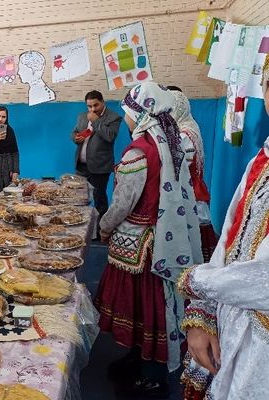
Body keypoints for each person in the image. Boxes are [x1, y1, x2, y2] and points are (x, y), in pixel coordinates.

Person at [95, 82, 202, 398]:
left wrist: (103, 226)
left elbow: (122, 203)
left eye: (128, 112)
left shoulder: (137, 153)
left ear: (140, 114)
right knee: (155, 308)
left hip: (138, 247)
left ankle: (150, 372)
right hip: (166, 242)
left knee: (141, 308)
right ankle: (140, 359)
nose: (126, 118)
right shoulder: (172, 144)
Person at [177, 75, 269, 400]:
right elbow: (229, 242)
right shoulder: (263, 160)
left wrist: (195, 282)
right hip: (232, 324)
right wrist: (204, 312)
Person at [169, 88, 218, 262]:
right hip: (191, 189)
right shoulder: (190, 126)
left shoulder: (183, 134)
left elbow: (177, 166)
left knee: (190, 240)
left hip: (189, 193)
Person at [72, 90, 122, 237]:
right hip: (81, 166)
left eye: (96, 105)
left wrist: (96, 121)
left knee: (99, 200)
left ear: (102, 102)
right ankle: (79, 232)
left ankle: (101, 234)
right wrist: (76, 138)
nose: (92, 109)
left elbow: (110, 136)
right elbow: (73, 132)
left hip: (100, 167)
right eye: (89, 106)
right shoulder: (82, 116)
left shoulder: (114, 117)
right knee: (78, 200)